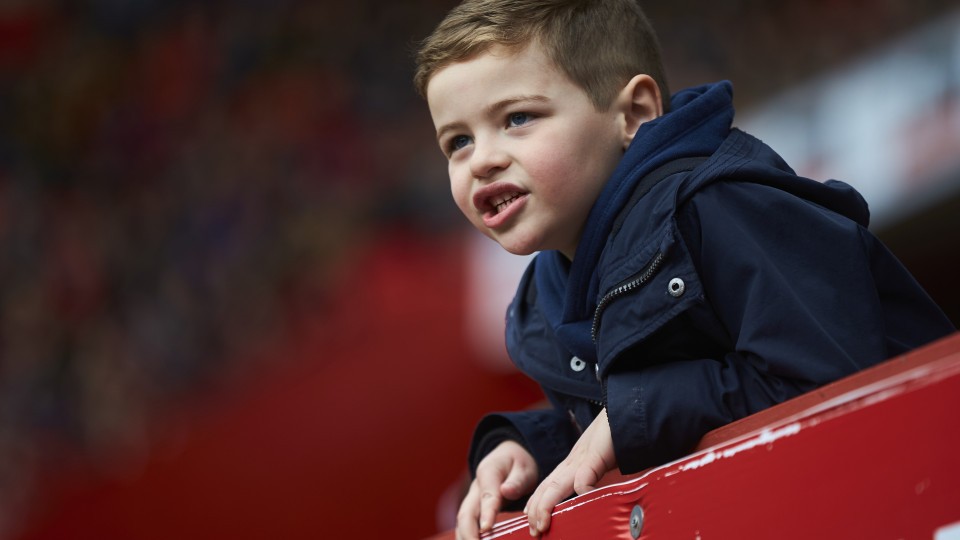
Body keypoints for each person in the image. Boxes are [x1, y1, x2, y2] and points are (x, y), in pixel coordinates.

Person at [413, 0, 956, 538]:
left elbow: (836, 377)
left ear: (634, 114)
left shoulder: (720, 206)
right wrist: (535, 448)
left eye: (517, 118)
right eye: (457, 141)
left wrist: (633, 417)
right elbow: (632, 415)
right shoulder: (543, 300)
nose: (482, 158)